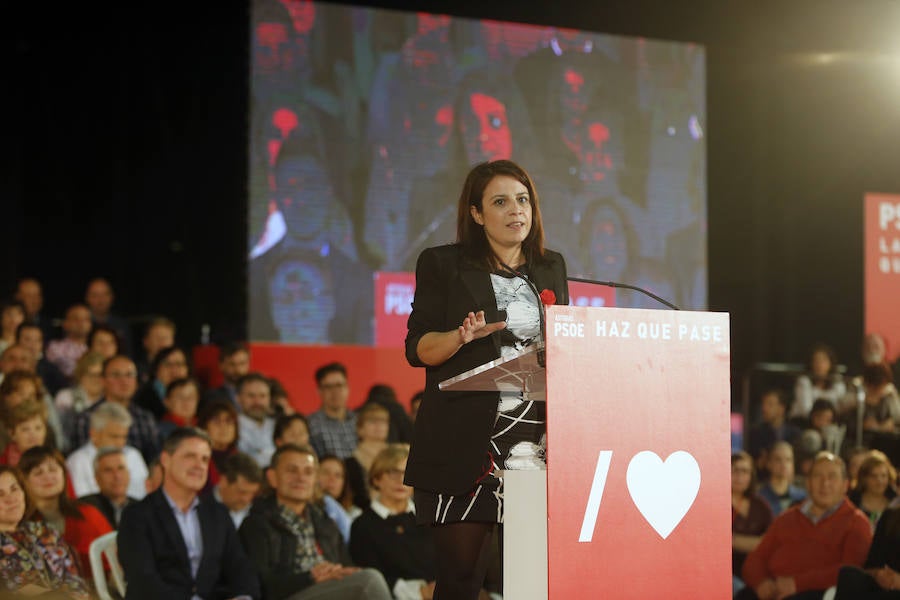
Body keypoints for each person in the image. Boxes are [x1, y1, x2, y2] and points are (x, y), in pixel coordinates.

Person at [404, 159, 569, 599]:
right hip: (465, 445)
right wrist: (460, 337)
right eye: (500, 202)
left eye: (523, 200)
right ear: (476, 214)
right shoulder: (442, 263)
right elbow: (417, 349)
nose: (516, 210)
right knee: (462, 580)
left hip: (532, 444)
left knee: (529, 581)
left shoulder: (550, 267)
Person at [118, 427, 261, 600]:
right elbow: (144, 581)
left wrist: (244, 597)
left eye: (204, 459)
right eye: (190, 456)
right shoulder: (136, 515)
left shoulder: (217, 514)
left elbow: (240, 566)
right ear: (166, 459)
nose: (199, 465)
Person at [238, 444, 392, 600]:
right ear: (272, 477)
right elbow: (260, 585)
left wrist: (340, 572)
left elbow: (346, 566)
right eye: (292, 470)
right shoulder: (256, 524)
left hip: (331, 591)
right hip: (290, 594)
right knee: (369, 581)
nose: (301, 478)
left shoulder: (324, 521)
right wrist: (311, 577)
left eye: (308, 472)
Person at [739, 452, 873, 600]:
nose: (825, 483)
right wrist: (761, 583)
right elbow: (754, 560)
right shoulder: (787, 518)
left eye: (832, 477)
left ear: (845, 485)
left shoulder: (856, 522)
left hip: (817, 593)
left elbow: (851, 572)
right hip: (772, 590)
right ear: (808, 483)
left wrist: (797, 584)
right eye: (817, 476)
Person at [350, 444, 440, 600]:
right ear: (376, 479)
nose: (401, 480)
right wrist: (419, 592)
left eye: (407, 473)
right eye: (393, 473)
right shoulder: (362, 525)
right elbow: (370, 580)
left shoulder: (430, 518)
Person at [20, 446, 114, 576]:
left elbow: (115, 558)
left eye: (53, 469)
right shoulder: (21, 525)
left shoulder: (88, 514)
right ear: (24, 481)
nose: (48, 477)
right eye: (38, 473)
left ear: (64, 474)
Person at [0, 465, 90, 598]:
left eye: (14, 489)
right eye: (0, 494)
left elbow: (74, 579)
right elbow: (18, 589)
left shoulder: (45, 532)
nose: (11, 499)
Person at [71, 355, 159, 464]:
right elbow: (85, 460)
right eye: (116, 375)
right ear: (103, 380)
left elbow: (154, 460)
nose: (124, 381)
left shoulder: (145, 418)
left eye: (129, 375)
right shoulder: (86, 418)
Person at [66, 401, 148, 500]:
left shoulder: (133, 455)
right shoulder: (78, 462)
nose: (120, 443)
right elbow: (83, 501)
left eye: (124, 437)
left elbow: (142, 495)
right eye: (114, 437)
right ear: (94, 434)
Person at [835, 504, 900, 598]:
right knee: (849, 575)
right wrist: (879, 574)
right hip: (881, 586)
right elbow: (870, 567)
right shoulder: (890, 516)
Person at [732, 451, 774, 597]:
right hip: (728, 570)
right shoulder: (717, 503)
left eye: (744, 471)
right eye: (734, 470)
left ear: (751, 476)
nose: (739, 476)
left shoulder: (760, 505)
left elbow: (771, 542)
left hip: (759, 570)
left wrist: (733, 540)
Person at [78, 447, 139, 528]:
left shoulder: (141, 508)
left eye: (121, 468)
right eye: (108, 470)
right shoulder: (84, 508)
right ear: (96, 478)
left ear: (129, 474)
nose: (117, 476)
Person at [308, 362, 358, 460]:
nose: (335, 392)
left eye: (339, 385)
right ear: (319, 391)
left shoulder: (359, 421)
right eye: (328, 387)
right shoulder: (310, 424)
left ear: (347, 388)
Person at [345, 402, 390, 510]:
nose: (379, 425)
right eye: (372, 421)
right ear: (360, 429)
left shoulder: (398, 455)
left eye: (383, 421)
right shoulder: (352, 461)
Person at [53, 351, 105, 444]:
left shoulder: (109, 400)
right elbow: (59, 432)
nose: (96, 379)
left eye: (99, 375)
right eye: (91, 375)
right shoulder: (65, 397)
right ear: (81, 375)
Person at [790, 344, 847, 419]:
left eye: (823, 360)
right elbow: (805, 410)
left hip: (830, 422)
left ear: (830, 363)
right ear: (811, 363)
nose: (820, 364)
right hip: (804, 421)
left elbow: (840, 407)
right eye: (816, 360)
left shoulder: (837, 380)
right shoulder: (803, 381)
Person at [133, 345, 190, 420]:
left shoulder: (197, 394)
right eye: (168, 364)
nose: (174, 370)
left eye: (179, 364)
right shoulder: (145, 398)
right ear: (156, 369)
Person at [211, 451, 262, 529]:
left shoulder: (256, 513)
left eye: (252, 493)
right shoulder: (199, 510)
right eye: (242, 492)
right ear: (224, 481)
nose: (246, 499)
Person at [236, 372, 276, 468]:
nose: (257, 402)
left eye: (262, 396)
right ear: (238, 398)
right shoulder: (231, 426)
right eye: (251, 396)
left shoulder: (278, 426)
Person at [198, 397, 240, 489]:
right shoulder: (197, 458)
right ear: (204, 427)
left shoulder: (241, 460)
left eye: (229, 421)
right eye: (216, 421)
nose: (223, 427)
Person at [848, 451, 897, 529]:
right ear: (864, 478)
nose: (879, 481)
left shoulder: (896, 503)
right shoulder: (852, 502)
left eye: (883, 476)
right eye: (874, 476)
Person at [758, 441, 807, 517]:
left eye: (788, 460)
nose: (784, 464)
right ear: (768, 463)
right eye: (778, 459)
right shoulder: (759, 498)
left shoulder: (802, 497)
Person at [44, 304, 92, 379]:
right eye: (76, 319)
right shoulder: (55, 347)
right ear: (65, 323)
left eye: (86, 319)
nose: (81, 323)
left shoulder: (94, 348)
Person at [201, 341, 250, 412]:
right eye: (232, 364)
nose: (237, 369)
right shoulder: (212, 397)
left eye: (242, 364)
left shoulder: (261, 394)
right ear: (221, 365)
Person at [0, 400, 49, 466]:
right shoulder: (3, 464)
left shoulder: (55, 459)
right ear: (12, 434)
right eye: (25, 429)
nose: (33, 434)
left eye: (38, 428)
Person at [156, 377, 200, 442]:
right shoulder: (159, 431)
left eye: (191, 397)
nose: (186, 401)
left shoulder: (205, 427)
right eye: (180, 397)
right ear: (166, 402)